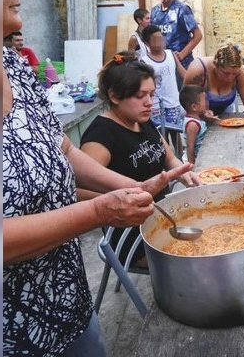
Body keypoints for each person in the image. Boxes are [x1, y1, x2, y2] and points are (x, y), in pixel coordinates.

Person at [2, 0, 192, 355]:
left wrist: (135, 188)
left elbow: (63, 148)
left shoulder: (12, 65)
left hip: (67, 299)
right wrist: (102, 211)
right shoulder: (105, 133)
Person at [79, 51, 201, 266]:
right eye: (140, 96)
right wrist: (122, 198)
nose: (149, 103)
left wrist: (185, 174)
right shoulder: (101, 135)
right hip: (131, 234)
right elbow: (76, 191)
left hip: (163, 218)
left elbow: (169, 158)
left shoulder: (141, 120)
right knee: (200, 257)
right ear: (115, 96)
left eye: (152, 95)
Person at [183, 40, 244, 123]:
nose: (230, 77)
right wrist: (202, 112)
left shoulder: (240, 72)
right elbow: (185, 98)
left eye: (234, 74)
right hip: (196, 119)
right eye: (226, 73)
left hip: (224, 116)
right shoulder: (198, 70)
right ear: (215, 65)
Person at [140, 24, 187, 155]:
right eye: (155, 39)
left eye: (161, 38)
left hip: (173, 102)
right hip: (155, 105)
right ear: (147, 43)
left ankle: (180, 157)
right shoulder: (144, 62)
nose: (159, 42)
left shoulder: (171, 54)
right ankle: (166, 160)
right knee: (161, 136)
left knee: (176, 132)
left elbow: (184, 74)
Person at [151, 0, 203, 86]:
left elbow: (198, 35)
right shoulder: (154, 11)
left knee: (184, 97)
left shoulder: (182, 9)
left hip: (183, 63)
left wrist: (182, 54)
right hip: (163, 62)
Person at [180, 84, 209, 164]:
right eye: (204, 101)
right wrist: (192, 165)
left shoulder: (198, 118)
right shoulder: (192, 124)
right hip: (193, 160)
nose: (206, 103)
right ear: (194, 107)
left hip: (199, 156)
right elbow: (190, 146)